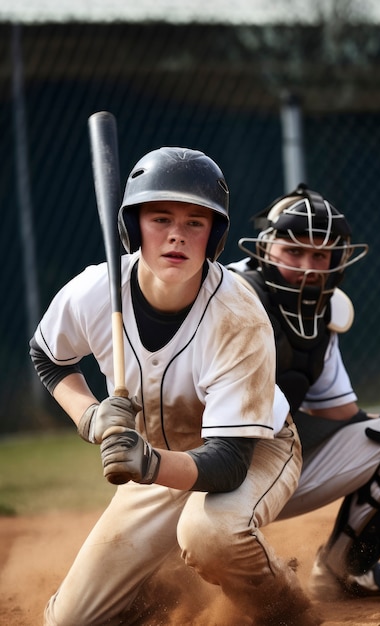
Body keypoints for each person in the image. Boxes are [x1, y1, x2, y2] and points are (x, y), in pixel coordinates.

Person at [29, 148, 323, 626]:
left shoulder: (237, 315)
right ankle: (159, 587)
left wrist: (147, 463)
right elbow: (47, 355)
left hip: (255, 448)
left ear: (215, 235)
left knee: (211, 533)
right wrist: (89, 415)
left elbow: (227, 464)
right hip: (164, 458)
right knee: (70, 621)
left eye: (195, 222)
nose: (176, 235)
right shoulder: (94, 291)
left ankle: (283, 607)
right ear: (132, 227)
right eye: (160, 217)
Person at [227, 183, 380, 601]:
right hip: (195, 473)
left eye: (319, 255)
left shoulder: (320, 311)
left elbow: (341, 415)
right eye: (294, 251)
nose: (308, 267)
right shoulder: (224, 294)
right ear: (266, 249)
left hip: (267, 472)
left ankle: (347, 572)